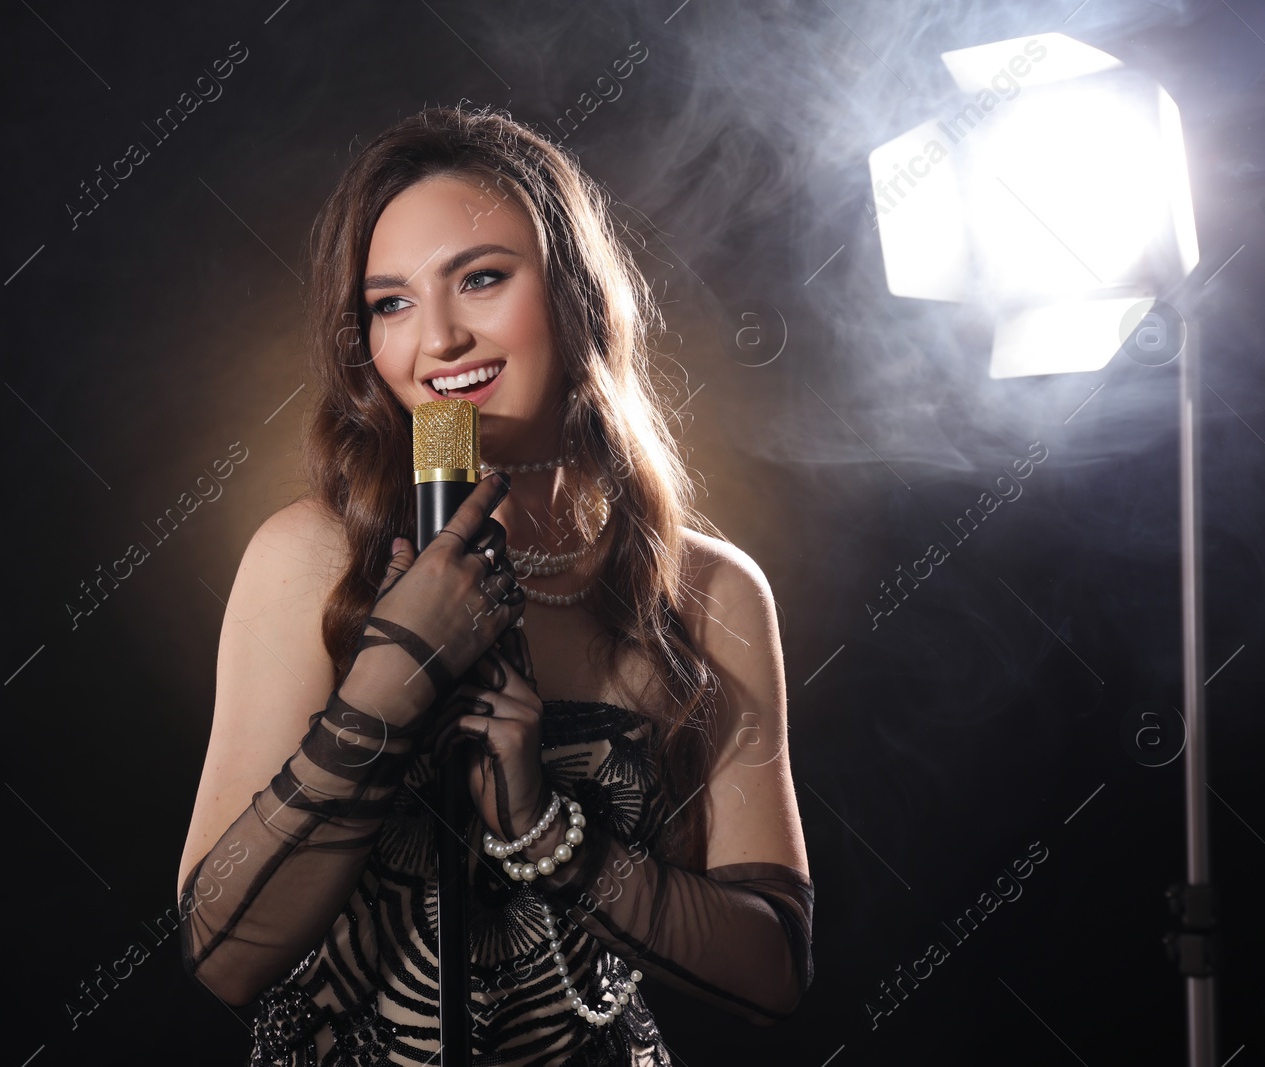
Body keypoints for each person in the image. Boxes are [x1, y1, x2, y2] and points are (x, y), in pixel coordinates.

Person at [176, 104, 812, 1066]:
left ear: (574, 295)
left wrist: (544, 829)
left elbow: (773, 969)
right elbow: (219, 957)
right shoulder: (309, 558)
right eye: (390, 303)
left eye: (480, 278)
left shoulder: (710, 592)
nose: (437, 339)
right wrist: (386, 688)